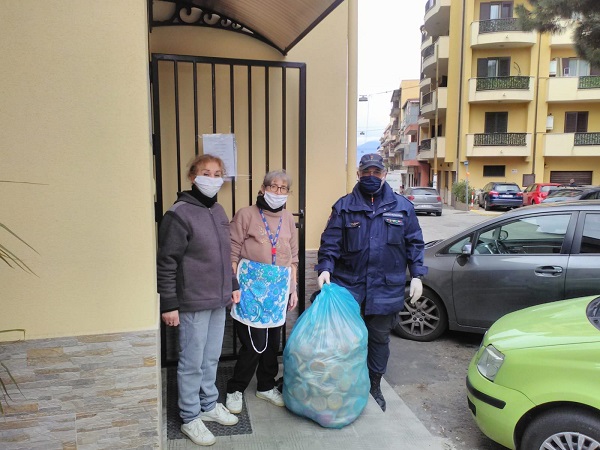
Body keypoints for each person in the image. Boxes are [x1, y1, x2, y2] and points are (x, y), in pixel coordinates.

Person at [315, 153, 427, 412]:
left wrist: (418, 274)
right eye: (367, 172)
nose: (371, 177)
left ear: (384, 174)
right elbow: (330, 243)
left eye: (376, 172)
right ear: (358, 174)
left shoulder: (402, 207)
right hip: (349, 287)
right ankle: (345, 383)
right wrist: (325, 268)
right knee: (345, 340)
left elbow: (414, 243)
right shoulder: (344, 206)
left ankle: (374, 385)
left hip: (386, 288)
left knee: (379, 340)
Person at [157, 154, 240, 447]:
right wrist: (169, 304)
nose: (212, 177)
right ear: (193, 176)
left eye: (218, 173)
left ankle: (208, 405)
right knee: (191, 361)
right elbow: (166, 262)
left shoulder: (218, 211)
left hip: (218, 300)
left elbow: (223, 254)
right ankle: (190, 417)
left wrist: (233, 284)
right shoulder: (178, 214)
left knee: (211, 357)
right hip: (192, 302)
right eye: (206, 172)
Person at [225, 170, 299, 414]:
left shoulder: (288, 218)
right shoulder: (246, 215)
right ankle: (235, 388)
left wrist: (292, 289)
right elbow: (232, 250)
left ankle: (266, 386)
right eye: (273, 186)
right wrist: (233, 284)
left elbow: (293, 258)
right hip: (250, 288)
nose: (278, 192)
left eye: (283, 188)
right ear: (263, 188)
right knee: (254, 344)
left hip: (277, 290)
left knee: (271, 344)